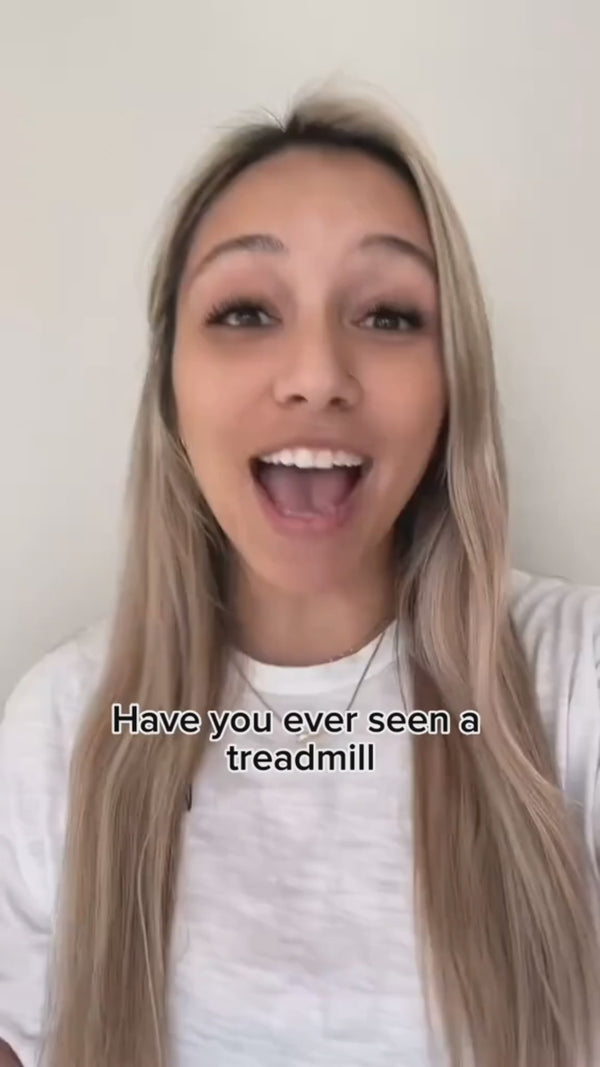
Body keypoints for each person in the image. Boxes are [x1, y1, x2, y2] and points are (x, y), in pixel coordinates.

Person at [0, 87, 599, 1067]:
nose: (317, 374)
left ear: (455, 386)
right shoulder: (60, 729)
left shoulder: (577, 684)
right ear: (170, 387)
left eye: (389, 315)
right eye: (245, 311)